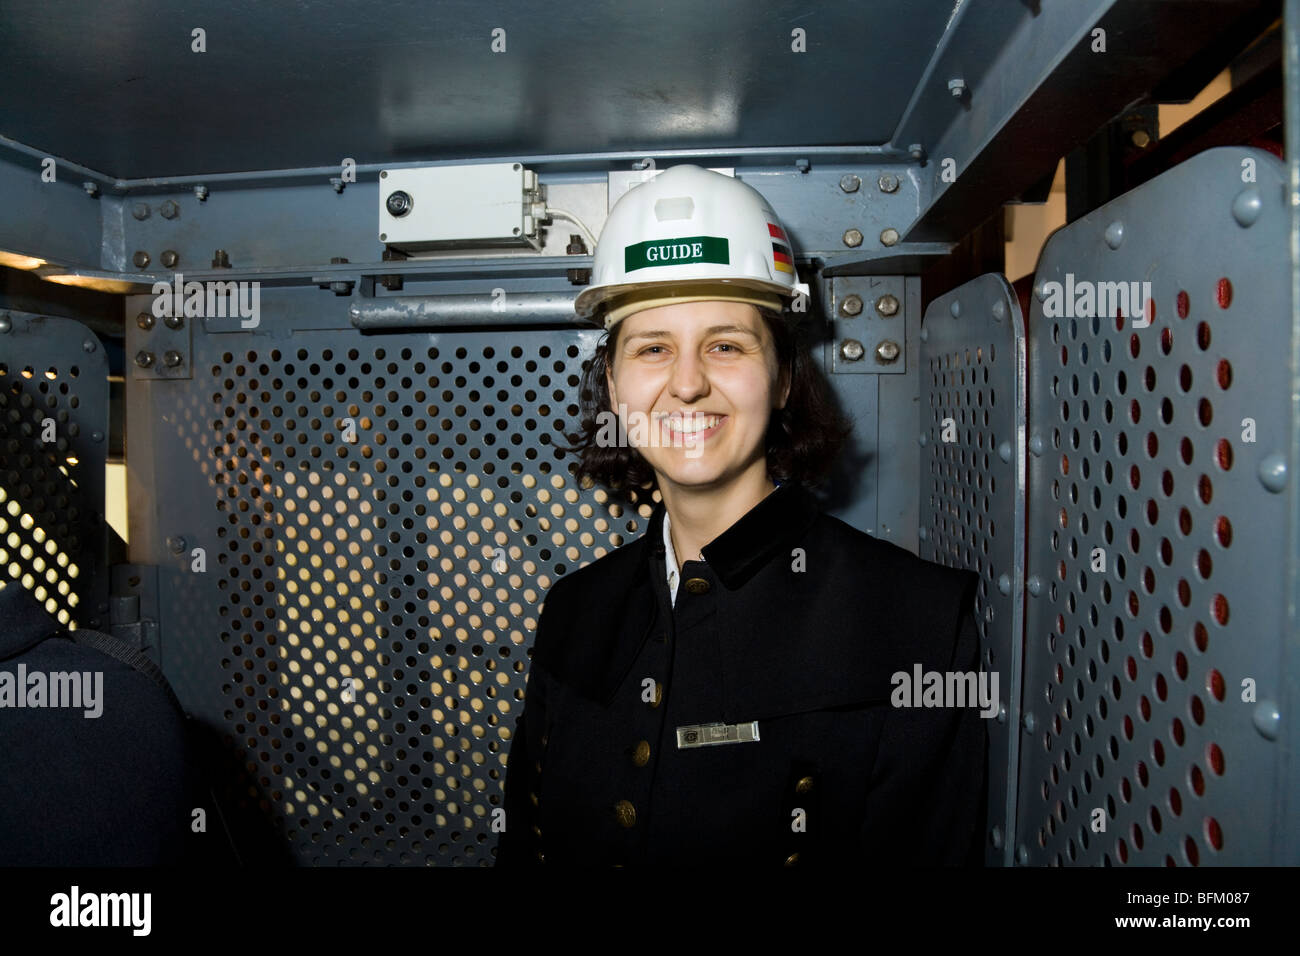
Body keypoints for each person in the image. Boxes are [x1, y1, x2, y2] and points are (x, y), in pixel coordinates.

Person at [495, 164, 986, 866]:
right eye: (652, 348)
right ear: (613, 382)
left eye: (726, 344)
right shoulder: (575, 611)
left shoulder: (917, 622)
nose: (688, 382)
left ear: (784, 376)